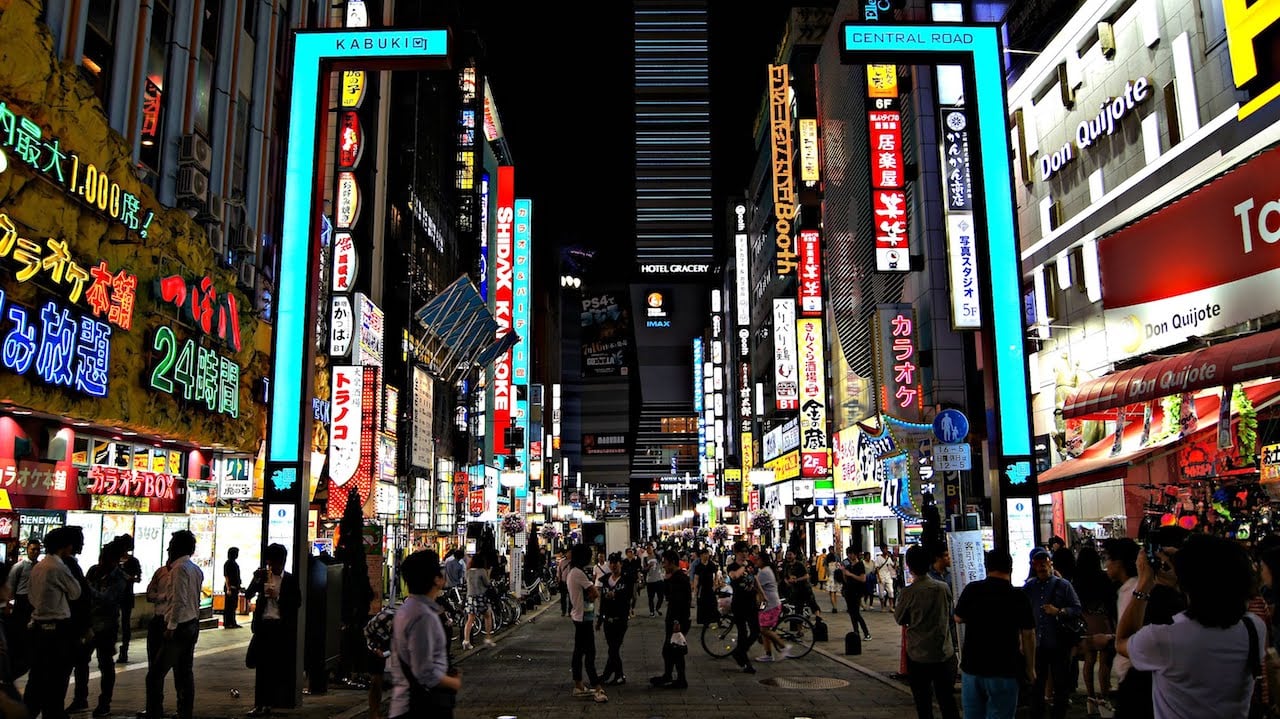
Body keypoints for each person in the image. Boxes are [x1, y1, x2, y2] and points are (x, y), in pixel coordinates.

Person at [1116, 533, 1264, 719]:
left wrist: (1144, 585)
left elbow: (1122, 641)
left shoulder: (1163, 640)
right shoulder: (1254, 629)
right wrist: (1183, 581)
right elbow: (1211, 606)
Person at [953, 548, 1036, 719]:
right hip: (1004, 669)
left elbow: (958, 617)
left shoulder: (973, 590)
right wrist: (1030, 668)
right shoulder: (1018, 596)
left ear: (986, 567)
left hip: (972, 667)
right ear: (1010, 568)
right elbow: (1029, 635)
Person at [389, 550, 461, 719]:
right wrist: (453, 682)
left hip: (407, 703)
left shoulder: (406, 610)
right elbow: (424, 672)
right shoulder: (423, 616)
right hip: (419, 706)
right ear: (436, 579)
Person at [895, 544, 960, 719]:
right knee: (947, 701)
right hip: (943, 653)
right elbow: (949, 612)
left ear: (909, 566)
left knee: (923, 704)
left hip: (918, 654)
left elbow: (900, 618)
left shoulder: (908, 592)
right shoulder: (942, 588)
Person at [23, 527, 81, 719]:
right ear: (64, 546)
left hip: (38, 627)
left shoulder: (38, 567)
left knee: (37, 678)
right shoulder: (58, 567)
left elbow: (31, 596)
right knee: (57, 680)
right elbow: (75, 592)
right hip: (58, 630)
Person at [145, 530, 202, 719]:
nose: (168, 548)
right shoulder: (195, 569)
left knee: (155, 674)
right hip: (192, 624)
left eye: (171, 544)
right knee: (184, 672)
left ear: (177, 547)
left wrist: (171, 626)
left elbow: (178, 600)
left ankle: (155, 711)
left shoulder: (179, 569)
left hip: (180, 627)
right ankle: (185, 711)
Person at [1023, 547, 1082, 719]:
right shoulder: (1029, 587)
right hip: (1037, 645)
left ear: (1050, 563)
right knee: (1037, 684)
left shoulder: (1063, 585)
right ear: (1033, 566)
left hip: (1059, 643)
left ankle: (1059, 714)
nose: (1041, 567)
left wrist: (1059, 611)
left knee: (1061, 684)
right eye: (1037, 563)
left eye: (1044, 562)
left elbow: (1077, 608)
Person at [243, 543, 301, 716]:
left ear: (282, 561)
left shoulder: (290, 580)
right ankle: (259, 704)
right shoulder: (263, 576)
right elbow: (248, 594)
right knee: (261, 668)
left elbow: (297, 603)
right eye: (269, 562)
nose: (271, 566)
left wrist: (279, 597)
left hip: (280, 628)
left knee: (275, 667)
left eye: (274, 562)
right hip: (263, 626)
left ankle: (270, 703)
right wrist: (256, 579)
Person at [82, 539, 129, 718]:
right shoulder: (94, 571)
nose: (102, 562)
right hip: (89, 623)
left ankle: (104, 702)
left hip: (107, 625)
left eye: (107, 559)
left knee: (106, 664)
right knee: (81, 661)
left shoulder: (119, 578)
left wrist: (88, 589)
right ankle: (81, 697)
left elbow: (107, 599)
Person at [1072, 545, 1116, 717]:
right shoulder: (1103, 578)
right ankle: (1104, 698)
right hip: (1102, 623)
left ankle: (1090, 698)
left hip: (1085, 623)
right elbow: (1111, 601)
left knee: (1089, 661)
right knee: (1105, 662)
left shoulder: (1077, 580)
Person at [565, 545, 607, 703]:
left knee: (579, 651)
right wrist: (591, 596)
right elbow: (595, 592)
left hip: (579, 616)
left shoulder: (572, 572)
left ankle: (579, 684)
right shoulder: (578, 573)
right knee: (589, 653)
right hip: (583, 618)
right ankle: (596, 687)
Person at [650, 550, 690, 689]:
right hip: (673, 618)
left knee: (674, 650)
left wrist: (677, 622)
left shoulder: (680, 578)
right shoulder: (674, 577)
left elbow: (681, 602)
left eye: (665, 562)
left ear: (672, 562)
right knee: (670, 650)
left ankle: (680, 679)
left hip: (677, 620)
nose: (663, 565)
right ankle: (669, 676)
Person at [6, 538, 39, 677]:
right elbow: (11, 585)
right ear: (27, 550)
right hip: (21, 601)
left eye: (37, 549)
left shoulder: (39, 566)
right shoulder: (19, 566)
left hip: (33, 601)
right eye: (33, 549)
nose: (35, 552)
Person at [725, 542, 760, 674]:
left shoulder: (750, 565)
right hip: (739, 603)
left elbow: (755, 580)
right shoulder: (732, 566)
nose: (745, 554)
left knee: (755, 631)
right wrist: (743, 567)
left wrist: (762, 595)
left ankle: (739, 652)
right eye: (742, 552)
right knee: (742, 633)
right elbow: (734, 576)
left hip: (751, 602)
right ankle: (746, 663)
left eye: (746, 551)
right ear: (736, 553)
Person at [597, 552, 630, 686]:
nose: (613, 565)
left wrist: (615, 594)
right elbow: (603, 602)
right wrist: (600, 619)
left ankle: (617, 675)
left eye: (615, 563)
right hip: (607, 620)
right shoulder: (605, 580)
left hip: (620, 619)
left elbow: (627, 597)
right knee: (612, 648)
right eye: (611, 563)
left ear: (620, 564)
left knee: (614, 648)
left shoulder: (626, 580)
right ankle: (611, 674)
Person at [754, 551, 791, 661]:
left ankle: (783, 646)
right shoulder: (765, 570)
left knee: (764, 629)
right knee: (763, 628)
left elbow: (755, 585)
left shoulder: (764, 572)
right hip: (766, 604)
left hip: (771, 604)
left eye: (757, 559)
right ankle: (768, 654)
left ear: (763, 560)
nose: (756, 561)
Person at [363, 602, 396, 719]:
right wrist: (376, 649)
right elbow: (367, 632)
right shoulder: (389, 619)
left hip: (388, 641)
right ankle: (374, 713)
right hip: (376, 642)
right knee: (376, 680)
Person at [116, 535, 141, 664]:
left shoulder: (132, 561)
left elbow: (138, 578)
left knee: (125, 624)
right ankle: (120, 650)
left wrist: (127, 577)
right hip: (117, 596)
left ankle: (123, 651)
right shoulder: (113, 560)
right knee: (119, 623)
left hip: (125, 595)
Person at [461, 553, 494, 650]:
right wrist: (489, 573)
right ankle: (488, 638)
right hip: (481, 596)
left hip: (470, 596)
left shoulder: (468, 572)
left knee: (470, 619)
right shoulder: (482, 571)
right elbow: (487, 584)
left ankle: (466, 640)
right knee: (488, 616)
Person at [841, 547, 871, 639]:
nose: (850, 556)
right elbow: (845, 580)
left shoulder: (860, 565)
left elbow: (863, 579)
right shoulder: (848, 565)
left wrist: (850, 574)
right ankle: (856, 632)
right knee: (851, 613)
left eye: (851, 554)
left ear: (855, 554)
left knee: (856, 613)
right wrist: (843, 572)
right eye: (848, 554)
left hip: (857, 592)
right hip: (848, 591)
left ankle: (866, 633)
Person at [692, 547, 719, 626]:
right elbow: (696, 578)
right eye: (704, 554)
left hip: (710, 587)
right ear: (701, 556)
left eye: (707, 554)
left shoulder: (711, 564)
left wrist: (715, 584)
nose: (706, 556)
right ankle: (703, 620)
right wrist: (695, 588)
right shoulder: (698, 566)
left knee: (712, 603)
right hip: (702, 587)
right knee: (702, 604)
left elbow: (716, 575)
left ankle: (714, 619)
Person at [223, 547, 243, 629]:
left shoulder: (234, 563)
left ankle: (232, 622)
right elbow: (226, 576)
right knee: (229, 606)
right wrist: (228, 588)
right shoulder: (228, 563)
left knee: (233, 606)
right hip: (231, 587)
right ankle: (228, 622)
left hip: (235, 587)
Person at [875, 545, 897, 611]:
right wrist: (879, 578)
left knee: (891, 591)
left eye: (887, 549)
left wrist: (895, 561)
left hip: (888, 576)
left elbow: (893, 566)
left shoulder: (889, 558)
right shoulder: (878, 558)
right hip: (881, 577)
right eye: (885, 549)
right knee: (881, 593)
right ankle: (882, 606)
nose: (886, 550)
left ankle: (891, 606)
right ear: (882, 549)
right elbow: (877, 568)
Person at [644, 548, 665, 617]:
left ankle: (657, 608)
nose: (649, 549)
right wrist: (649, 566)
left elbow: (663, 564)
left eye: (650, 547)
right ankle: (652, 611)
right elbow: (644, 570)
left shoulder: (658, 557)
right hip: (650, 581)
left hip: (659, 580)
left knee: (661, 597)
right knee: (651, 598)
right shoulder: (645, 558)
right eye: (647, 548)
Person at [622, 548, 642, 618]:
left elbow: (638, 571)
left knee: (634, 597)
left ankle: (632, 608)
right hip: (626, 581)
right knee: (627, 597)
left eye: (631, 552)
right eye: (629, 552)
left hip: (634, 581)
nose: (631, 553)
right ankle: (629, 610)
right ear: (626, 553)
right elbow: (622, 572)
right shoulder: (624, 561)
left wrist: (639, 580)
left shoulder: (635, 561)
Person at [823, 547, 841, 612]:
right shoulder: (837, 564)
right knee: (835, 593)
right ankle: (835, 606)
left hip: (830, 579)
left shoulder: (828, 565)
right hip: (836, 580)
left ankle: (834, 607)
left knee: (831, 594)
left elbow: (827, 572)